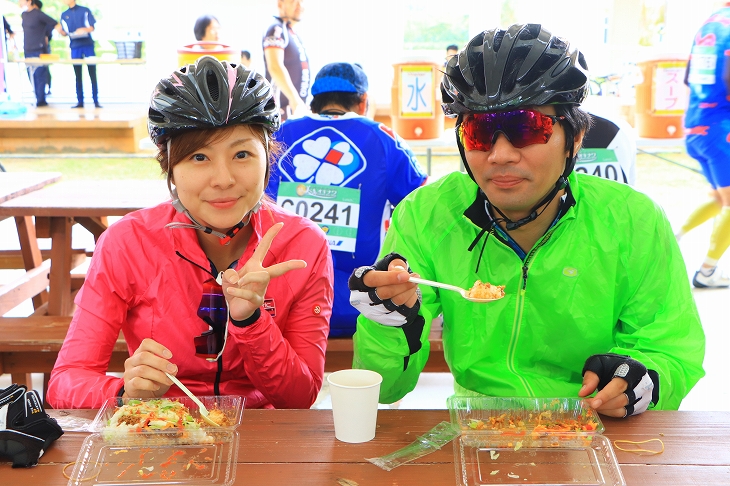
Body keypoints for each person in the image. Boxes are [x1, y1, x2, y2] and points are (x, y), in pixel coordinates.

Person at [348, 24, 705, 418]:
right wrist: (389, 319)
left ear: (576, 137)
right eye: (479, 132)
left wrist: (641, 379)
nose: (500, 155)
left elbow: (669, 349)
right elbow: (385, 387)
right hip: (482, 427)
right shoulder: (426, 214)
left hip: (600, 426)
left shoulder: (633, 220)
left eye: (526, 127)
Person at [47, 56, 334, 409]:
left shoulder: (303, 245)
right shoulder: (127, 243)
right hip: (162, 434)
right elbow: (65, 381)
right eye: (199, 157)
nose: (224, 179)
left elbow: (300, 398)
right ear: (169, 166)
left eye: (242, 154)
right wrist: (123, 392)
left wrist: (251, 321)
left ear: (268, 158)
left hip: (263, 437)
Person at [266, 62, 427, 337]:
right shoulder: (384, 139)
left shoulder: (277, 135)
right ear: (363, 101)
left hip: (277, 303)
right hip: (359, 306)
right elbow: (421, 208)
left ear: (314, 101)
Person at [677, 1, 730, 288]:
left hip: (696, 125)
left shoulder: (710, 24)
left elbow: (688, 79)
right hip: (722, 130)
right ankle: (708, 271)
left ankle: (673, 237)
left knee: (719, 198)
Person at [262, 0, 309, 120]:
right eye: (294, 1)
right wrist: (296, 101)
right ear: (280, 4)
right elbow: (274, 66)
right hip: (281, 114)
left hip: (293, 113)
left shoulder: (291, 32)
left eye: (302, 1)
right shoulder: (276, 29)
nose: (299, 4)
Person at [58, 0, 100, 108]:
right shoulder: (64, 14)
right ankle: (80, 102)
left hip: (87, 45)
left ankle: (96, 101)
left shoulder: (85, 10)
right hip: (75, 46)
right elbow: (64, 32)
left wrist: (84, 29)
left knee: (92, 73)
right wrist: (61, 32)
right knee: (78, 75)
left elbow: (92, 27)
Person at [19, 0, 58, 107]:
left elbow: (54, 24)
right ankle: (38, 97)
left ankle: (41, 100)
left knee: (40, 75)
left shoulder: (39, 14)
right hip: (27, 49)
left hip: (39, 50)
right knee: (31, 74)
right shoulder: (24, 15)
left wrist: (47, 36)